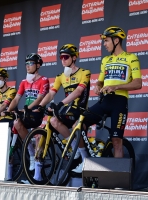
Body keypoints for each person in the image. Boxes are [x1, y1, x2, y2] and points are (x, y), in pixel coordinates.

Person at [81, 26, 142, 173]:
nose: (104, 44)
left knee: (116, 141)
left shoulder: (131, 57)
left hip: (119, 102)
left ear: (116, 40)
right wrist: (97, 86)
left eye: (106, 41)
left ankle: (118, 179)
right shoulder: (105, 59)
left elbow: (138, 83)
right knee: (80, 122)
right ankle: (84, 160)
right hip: (104, 101)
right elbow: (101, 81)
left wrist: (116, 87)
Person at [34, 44, 91, 180]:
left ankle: (85, 159)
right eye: (61, 57)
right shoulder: (60, 76)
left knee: (74, 126)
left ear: (74, 58)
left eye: (66, 57)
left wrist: (60, 104)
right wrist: (41, 106)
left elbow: (78, 92)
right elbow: (51, 93)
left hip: (81, 110)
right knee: (53, 120)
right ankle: (75, 150)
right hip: (67, 109)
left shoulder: (85, 72)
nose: (63, 60)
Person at [3, 53, 49, 171]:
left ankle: (36, 159)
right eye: (26, 64)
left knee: (36, 135)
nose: (28, 66)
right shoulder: (24, 82)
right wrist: (8, 111)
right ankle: (31, 153)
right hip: (26, 112)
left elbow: (40, 98)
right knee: (16, 123)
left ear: (38, 65)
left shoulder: (44, 80)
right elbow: (17, 98)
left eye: (31, 63)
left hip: (37, 113)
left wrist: (28, 108)